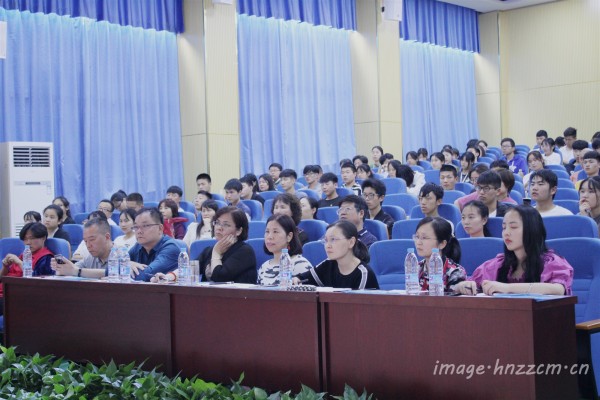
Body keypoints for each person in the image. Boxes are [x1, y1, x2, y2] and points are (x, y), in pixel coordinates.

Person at [454, 206, 573, 296]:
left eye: (514, 227)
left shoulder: (551, 262)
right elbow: (468, 283)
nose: (506, 232)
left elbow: (558, 289)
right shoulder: (498, 264)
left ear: (532, 230)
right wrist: (463, 286)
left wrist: (507, 288)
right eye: (504, 227)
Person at [293, 220, 379, 290]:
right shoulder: (328, 264)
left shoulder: (363, 273)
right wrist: (296, 279)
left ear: (351, 242)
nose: (328, 245)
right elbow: (303, 278)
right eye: (326, 241)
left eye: (333, 239)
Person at [0, 222, 55, 314]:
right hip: (4, 291)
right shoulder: (23, 254)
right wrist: (5, 267)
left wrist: (19, 262)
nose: (28, 243)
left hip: (15, 297)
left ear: (43, 238)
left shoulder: (46, 258)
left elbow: (38, 282)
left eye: (32, 238)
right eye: (25, 239)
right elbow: (2, 279)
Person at [197, 206, 256, 283]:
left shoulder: (245, 251)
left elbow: (219, 278)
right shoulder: (208, 250)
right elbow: (189, 269)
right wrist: (175, 275)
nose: (219, 228)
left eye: (226, 225)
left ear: (238, 231)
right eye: (217, 223)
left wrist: (216, 254)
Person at [413, 217, 466, 292]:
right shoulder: (417, 268)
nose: (418, 242)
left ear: (442, 244)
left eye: (424, 238)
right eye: (417, 237)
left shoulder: (455, 272)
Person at [257, 214, 312, 286]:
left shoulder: (300, 264)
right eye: (267, 231)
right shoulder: (264, 267)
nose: (269, 237)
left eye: (275, 232)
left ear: (289, 236)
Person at [129, 207, 180, 282]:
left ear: (160, 228)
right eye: (136, 227)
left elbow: (144, 276)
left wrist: (124, 266)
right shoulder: (138, 246)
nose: (139, 231)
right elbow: (109, 270)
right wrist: (128, 264)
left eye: (145, 226)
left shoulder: (171, 247)